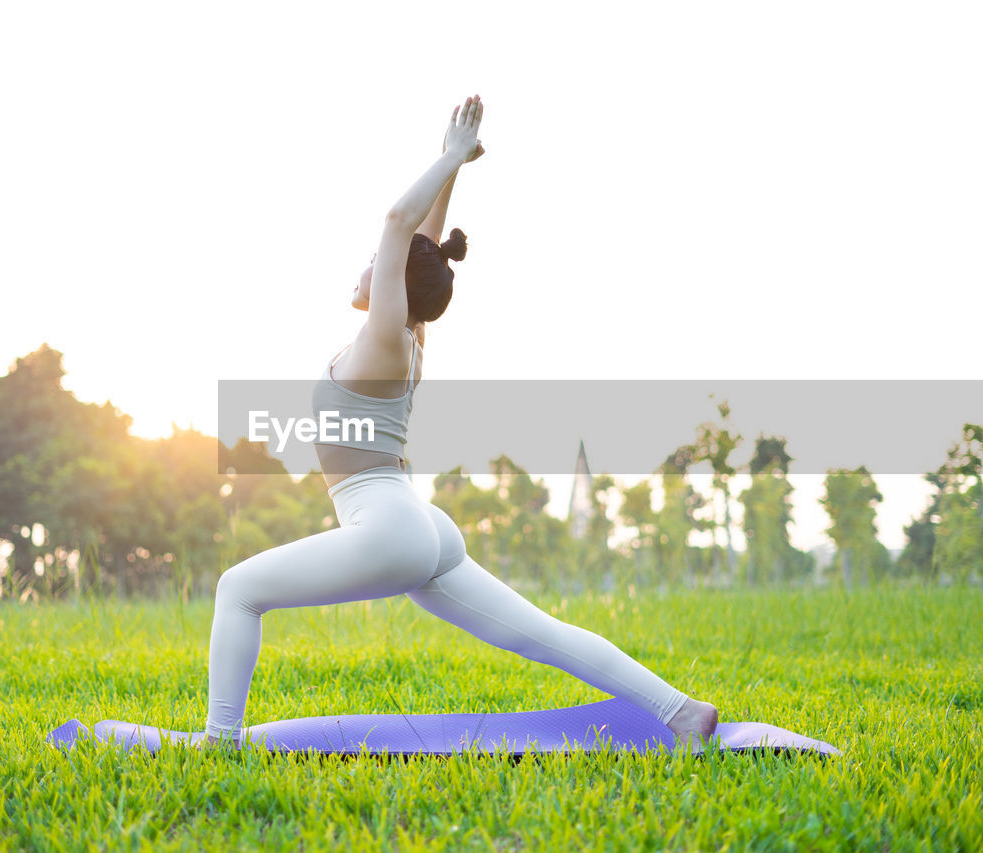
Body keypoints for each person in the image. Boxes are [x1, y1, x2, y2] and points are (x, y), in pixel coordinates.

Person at [204, 95, 718, 751]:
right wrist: (455, 171)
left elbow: (398, 229)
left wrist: (449, 154)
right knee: (541, 632)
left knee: (238, 588)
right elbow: (421, 248)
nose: (369, 265)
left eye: (378, 264)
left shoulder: (386, 339)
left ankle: (219, 741)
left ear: (394, 285)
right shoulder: (407, 334)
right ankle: (678, 709)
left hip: (389, 525)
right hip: (417, 527)